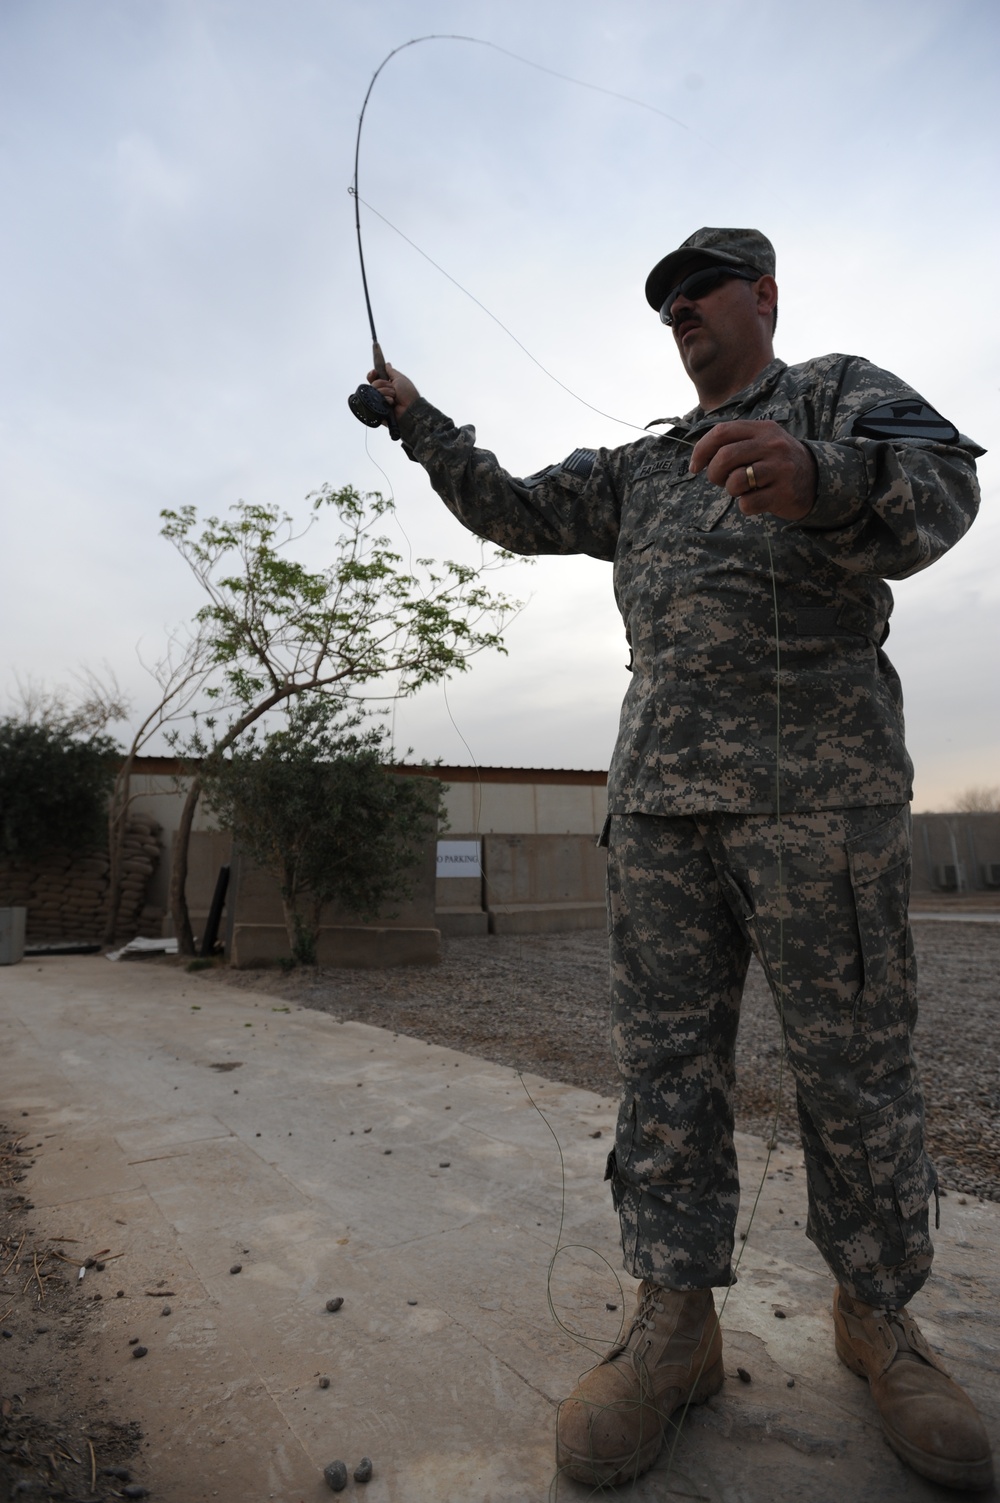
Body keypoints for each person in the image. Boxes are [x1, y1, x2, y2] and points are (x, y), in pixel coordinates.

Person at [364, 228, 992, 1492]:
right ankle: (674, 1324)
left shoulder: (838, 394)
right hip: (658, 810)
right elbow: (515, 508)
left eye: (700, 287)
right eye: (663, 300)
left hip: (822, 802)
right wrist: (419, 422)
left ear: (763, 295)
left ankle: (877, 1319)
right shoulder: (642, 465)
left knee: (856, 1075)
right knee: (666, 1073)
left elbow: (944, 494)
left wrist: (817, 475)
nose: (679, 309)